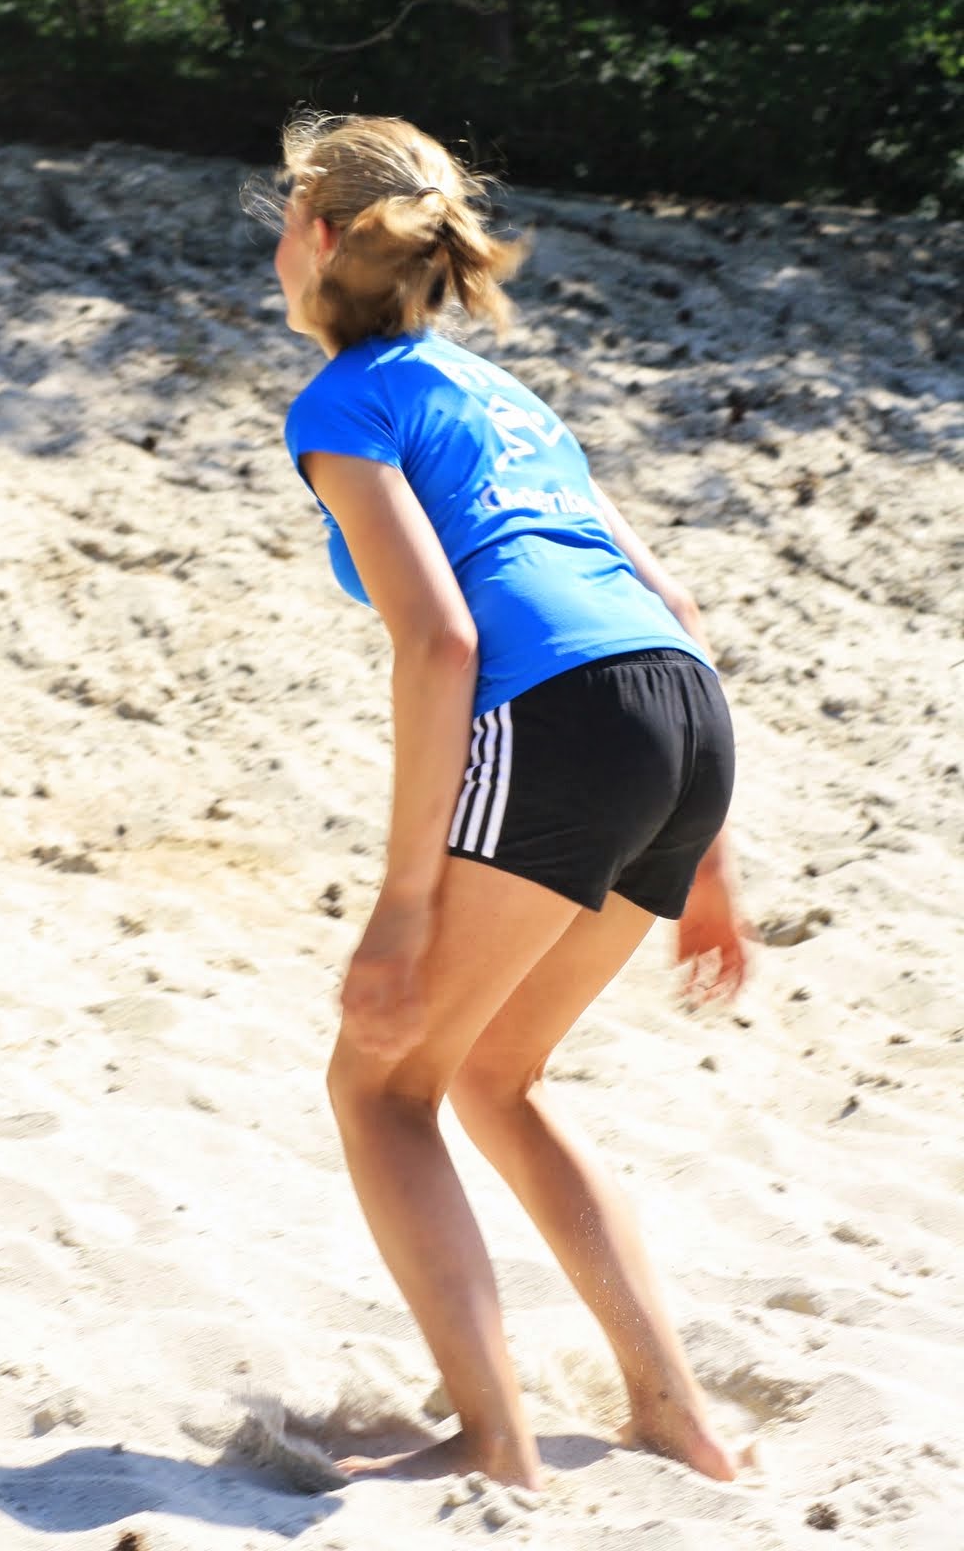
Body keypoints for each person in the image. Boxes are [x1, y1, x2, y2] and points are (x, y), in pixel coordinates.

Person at [245, 112, 749, 1491]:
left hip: (564, 720)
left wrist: (402, 907)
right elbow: (674, 603)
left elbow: (442, 644)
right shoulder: (506, 399)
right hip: (685, 718)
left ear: (320, 239)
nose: (276, 246)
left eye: (283, 221)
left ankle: (496, 1440)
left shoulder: (344, 402)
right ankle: (678, 1419)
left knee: (380, 1087)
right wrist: (707, 863)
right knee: (496, 1073)